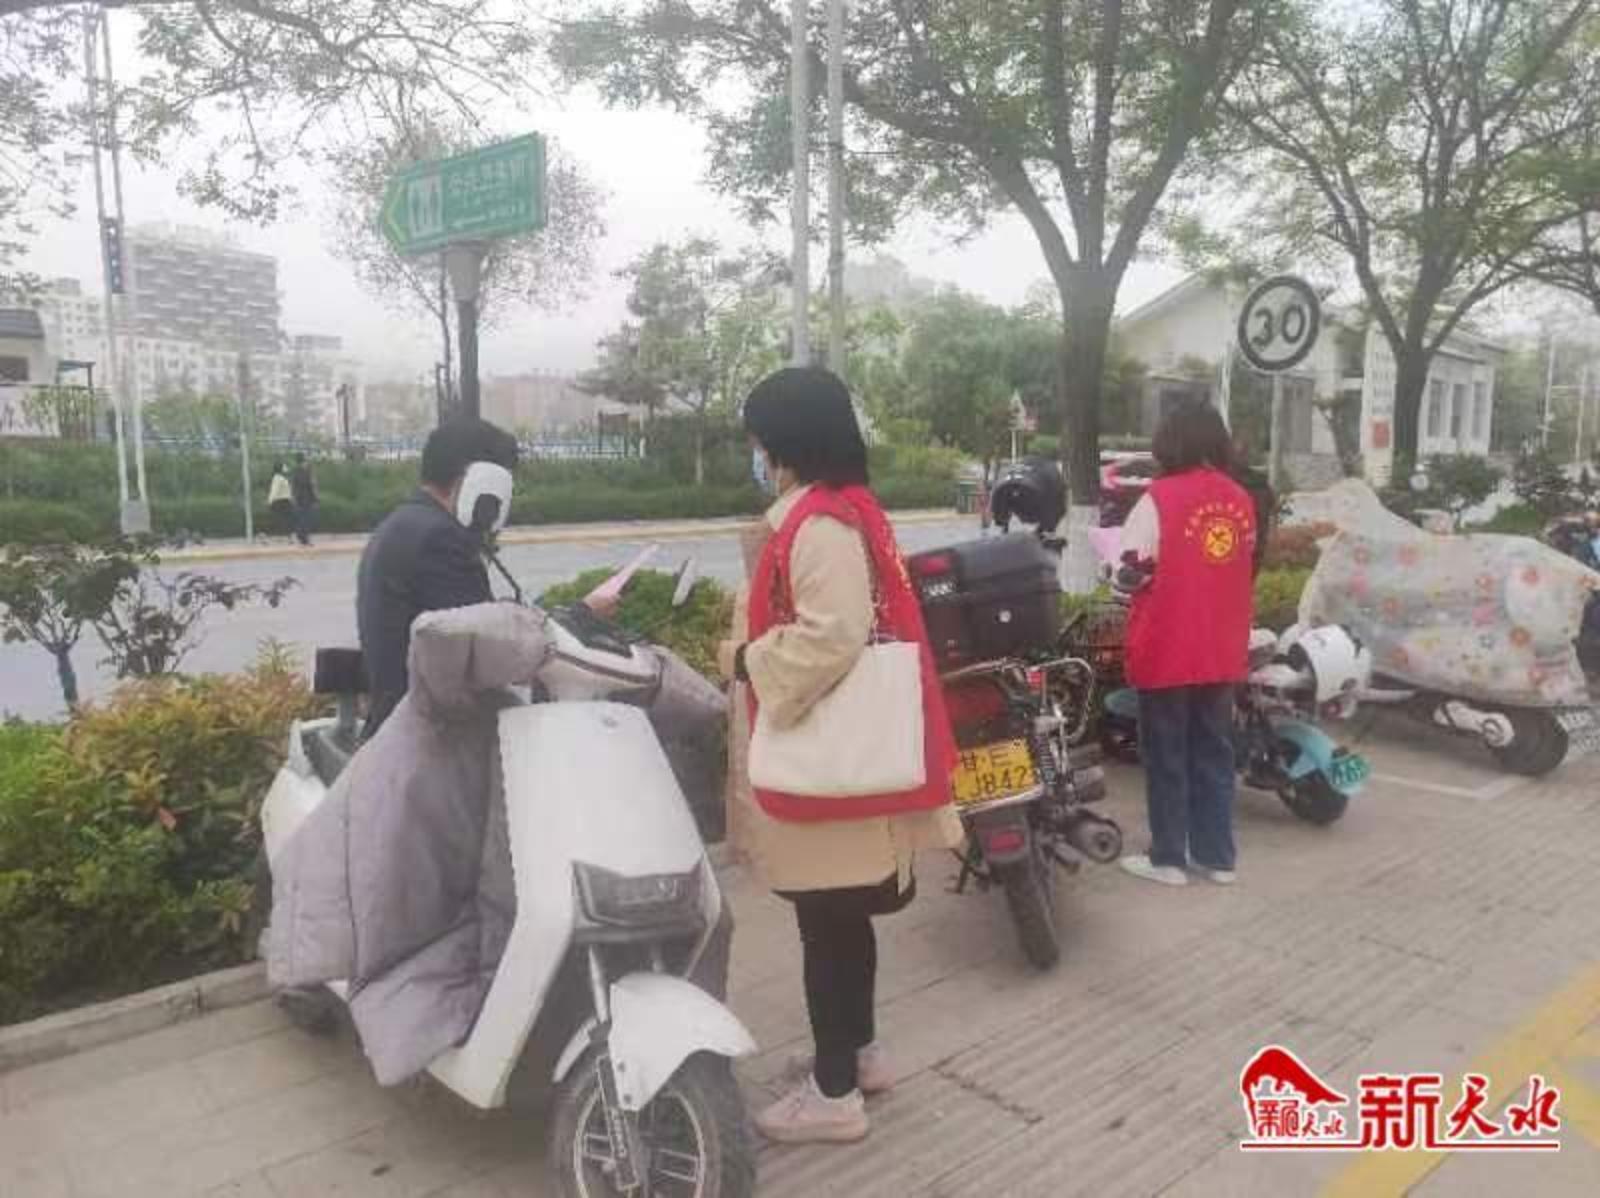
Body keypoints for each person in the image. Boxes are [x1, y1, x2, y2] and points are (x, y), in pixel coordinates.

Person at [720, 367, 961, 1145]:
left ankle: (832, 1095)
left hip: (825, 760)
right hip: (847, 757)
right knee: (842, 919)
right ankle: (857, 1056)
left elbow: (834, 633)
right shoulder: (847, 509)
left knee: (825, 925)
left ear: (782, 441)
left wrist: (747, 661)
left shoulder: (818, 524)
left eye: (758, 439)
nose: (756, 453)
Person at [1116, 400, 1257, 888]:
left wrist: (1118, 573)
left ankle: (1169, 858)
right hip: (1220, 648)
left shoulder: (1158, 498)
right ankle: (1217, 858)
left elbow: (1130, 572)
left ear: (1169, 441)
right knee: (1214, 752)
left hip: (1168, 646)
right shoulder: (1239, 499)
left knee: (1167, 755)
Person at [356, 418, 519, 737]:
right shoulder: (439, 540)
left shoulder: (406, 523)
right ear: (482, 482)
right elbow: (486, 651)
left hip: (401, 722)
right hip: (431, 740)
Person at [290, 452, 319, 546]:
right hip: (306, 498)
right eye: (306, 460)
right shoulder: (307, 472)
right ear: (303, 461)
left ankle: (303, 537)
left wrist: (293, 497)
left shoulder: (295, 471)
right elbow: (312, 485)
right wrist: (316, 498)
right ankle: (304, 538)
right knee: (306, 519)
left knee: (302, 519)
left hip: (300, 498)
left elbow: (293, 486)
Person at [267, 461, 295, 540]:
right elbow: (274, 490)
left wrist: (291, 498)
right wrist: (270, 500)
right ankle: (283, 535)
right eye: (284, 467)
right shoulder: (277, 478)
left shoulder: (282, 478)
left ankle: (287, 535)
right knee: (283, 519)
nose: (286, 468)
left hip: (285, 500)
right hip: (280, 501)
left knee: (287, 519)